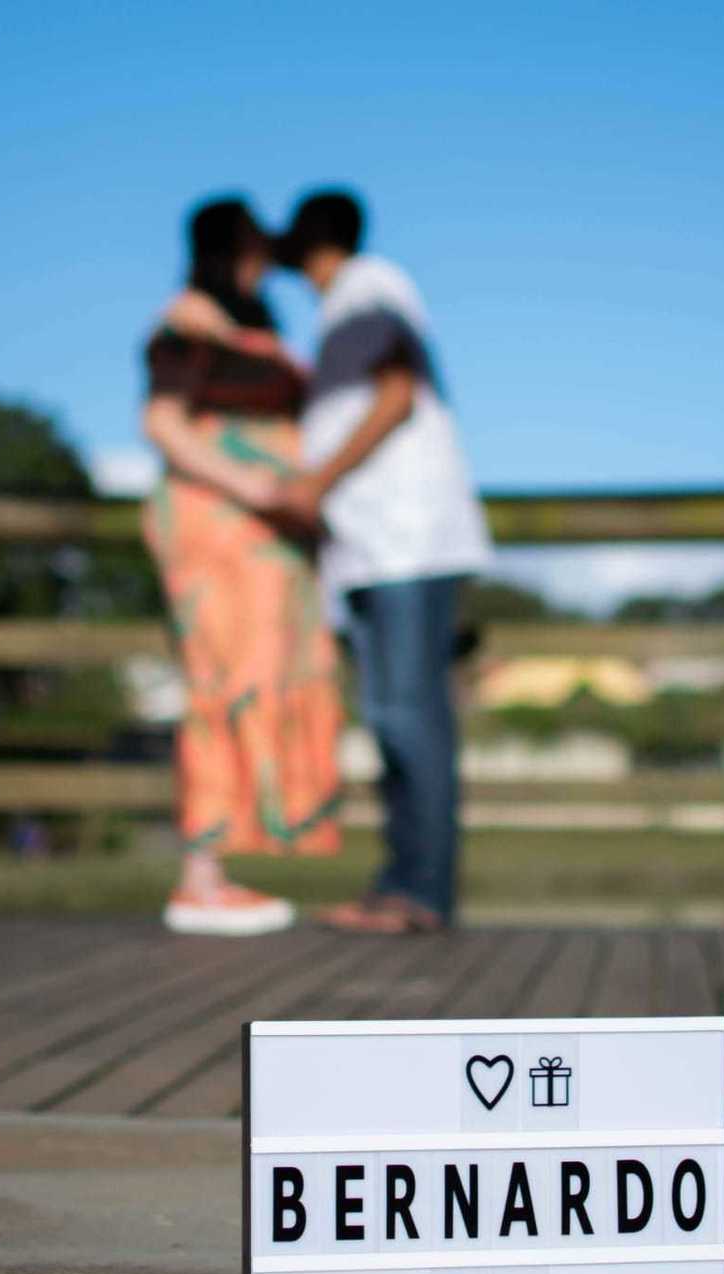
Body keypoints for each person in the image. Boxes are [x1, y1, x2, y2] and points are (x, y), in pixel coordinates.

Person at [272, 190, 491, 933]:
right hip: (373, 546)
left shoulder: (370, 286)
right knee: (393, 716)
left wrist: (316, 482)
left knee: (408, 715)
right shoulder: (346, 305)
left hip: (407, 540)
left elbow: (396, 394)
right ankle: (402, 882)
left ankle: (421, 891)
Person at [142, 197, 342, 936]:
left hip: (264, 537)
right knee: (223, 685)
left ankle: (216, 872)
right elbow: (163, 422)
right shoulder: (192, 319)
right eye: (257, 243)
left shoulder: (250, 324)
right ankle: (201, 877)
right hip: (222, 528)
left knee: (262, 679)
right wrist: (256, 487)